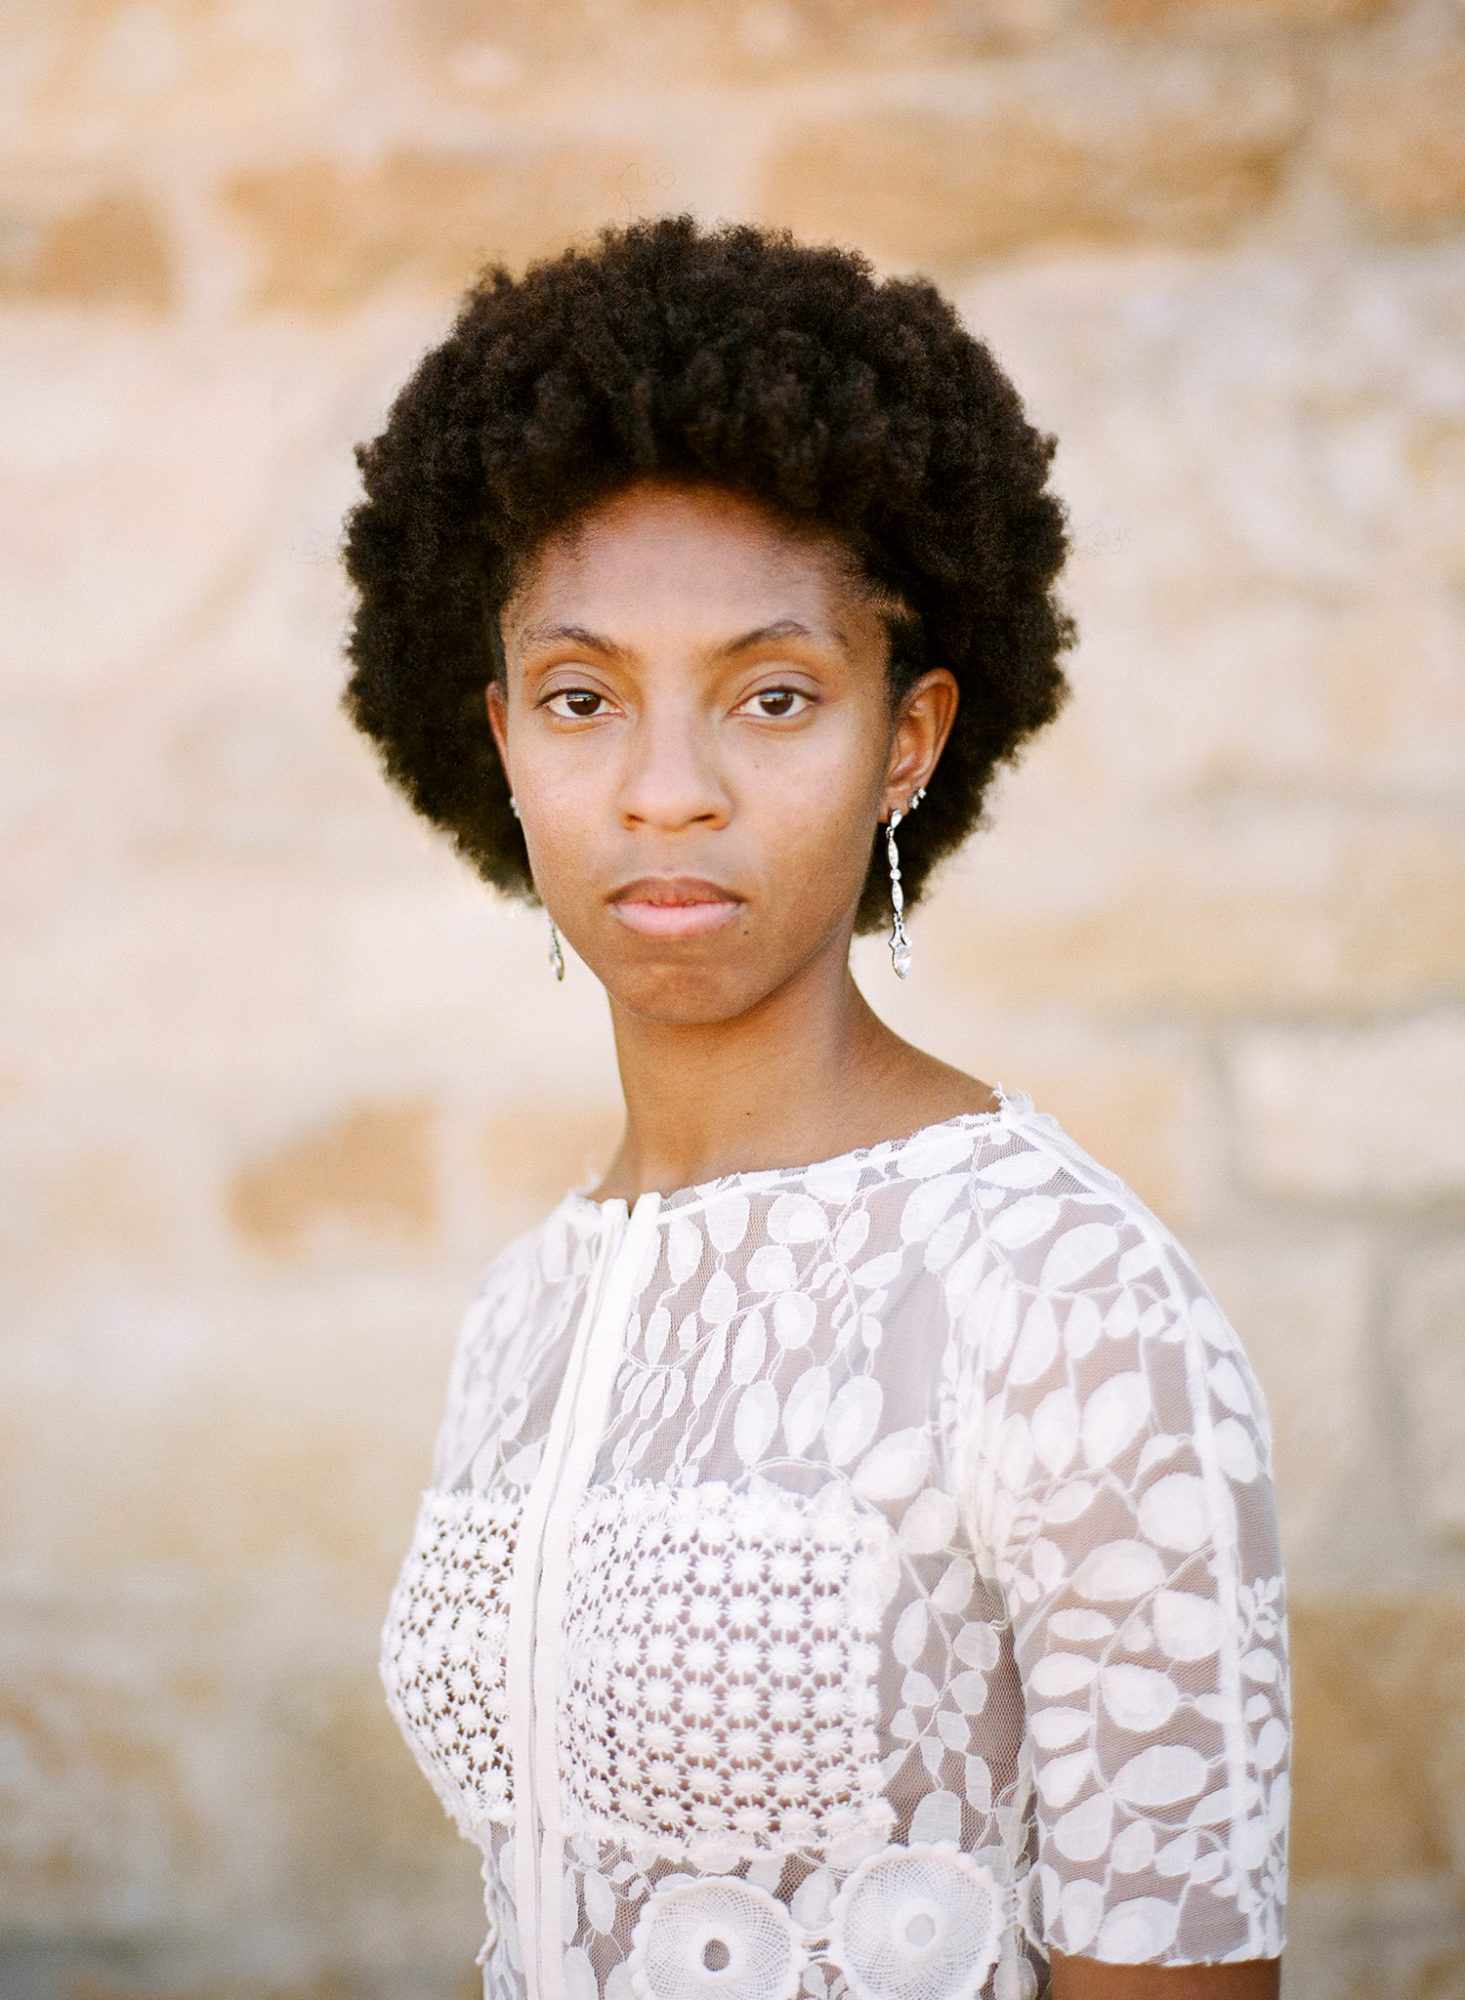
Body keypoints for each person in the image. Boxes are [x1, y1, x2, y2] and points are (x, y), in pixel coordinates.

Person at [340, 213, 1290, 2000]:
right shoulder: (525, 1307)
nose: (667, 790)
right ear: (500, 740)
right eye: (581, 698)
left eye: (771, 697)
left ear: (904, 741)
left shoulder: (1067, 1304)